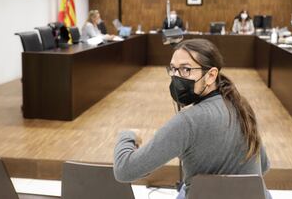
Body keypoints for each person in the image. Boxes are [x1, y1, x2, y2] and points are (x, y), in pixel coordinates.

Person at [113, 39, 271, 199]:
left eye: (186, 69)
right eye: (173, 69)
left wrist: (127, 136)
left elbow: (124, 170)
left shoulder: (187, 122)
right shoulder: (242, 107)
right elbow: (264, 166)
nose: (176, 77)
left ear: (211, 75)